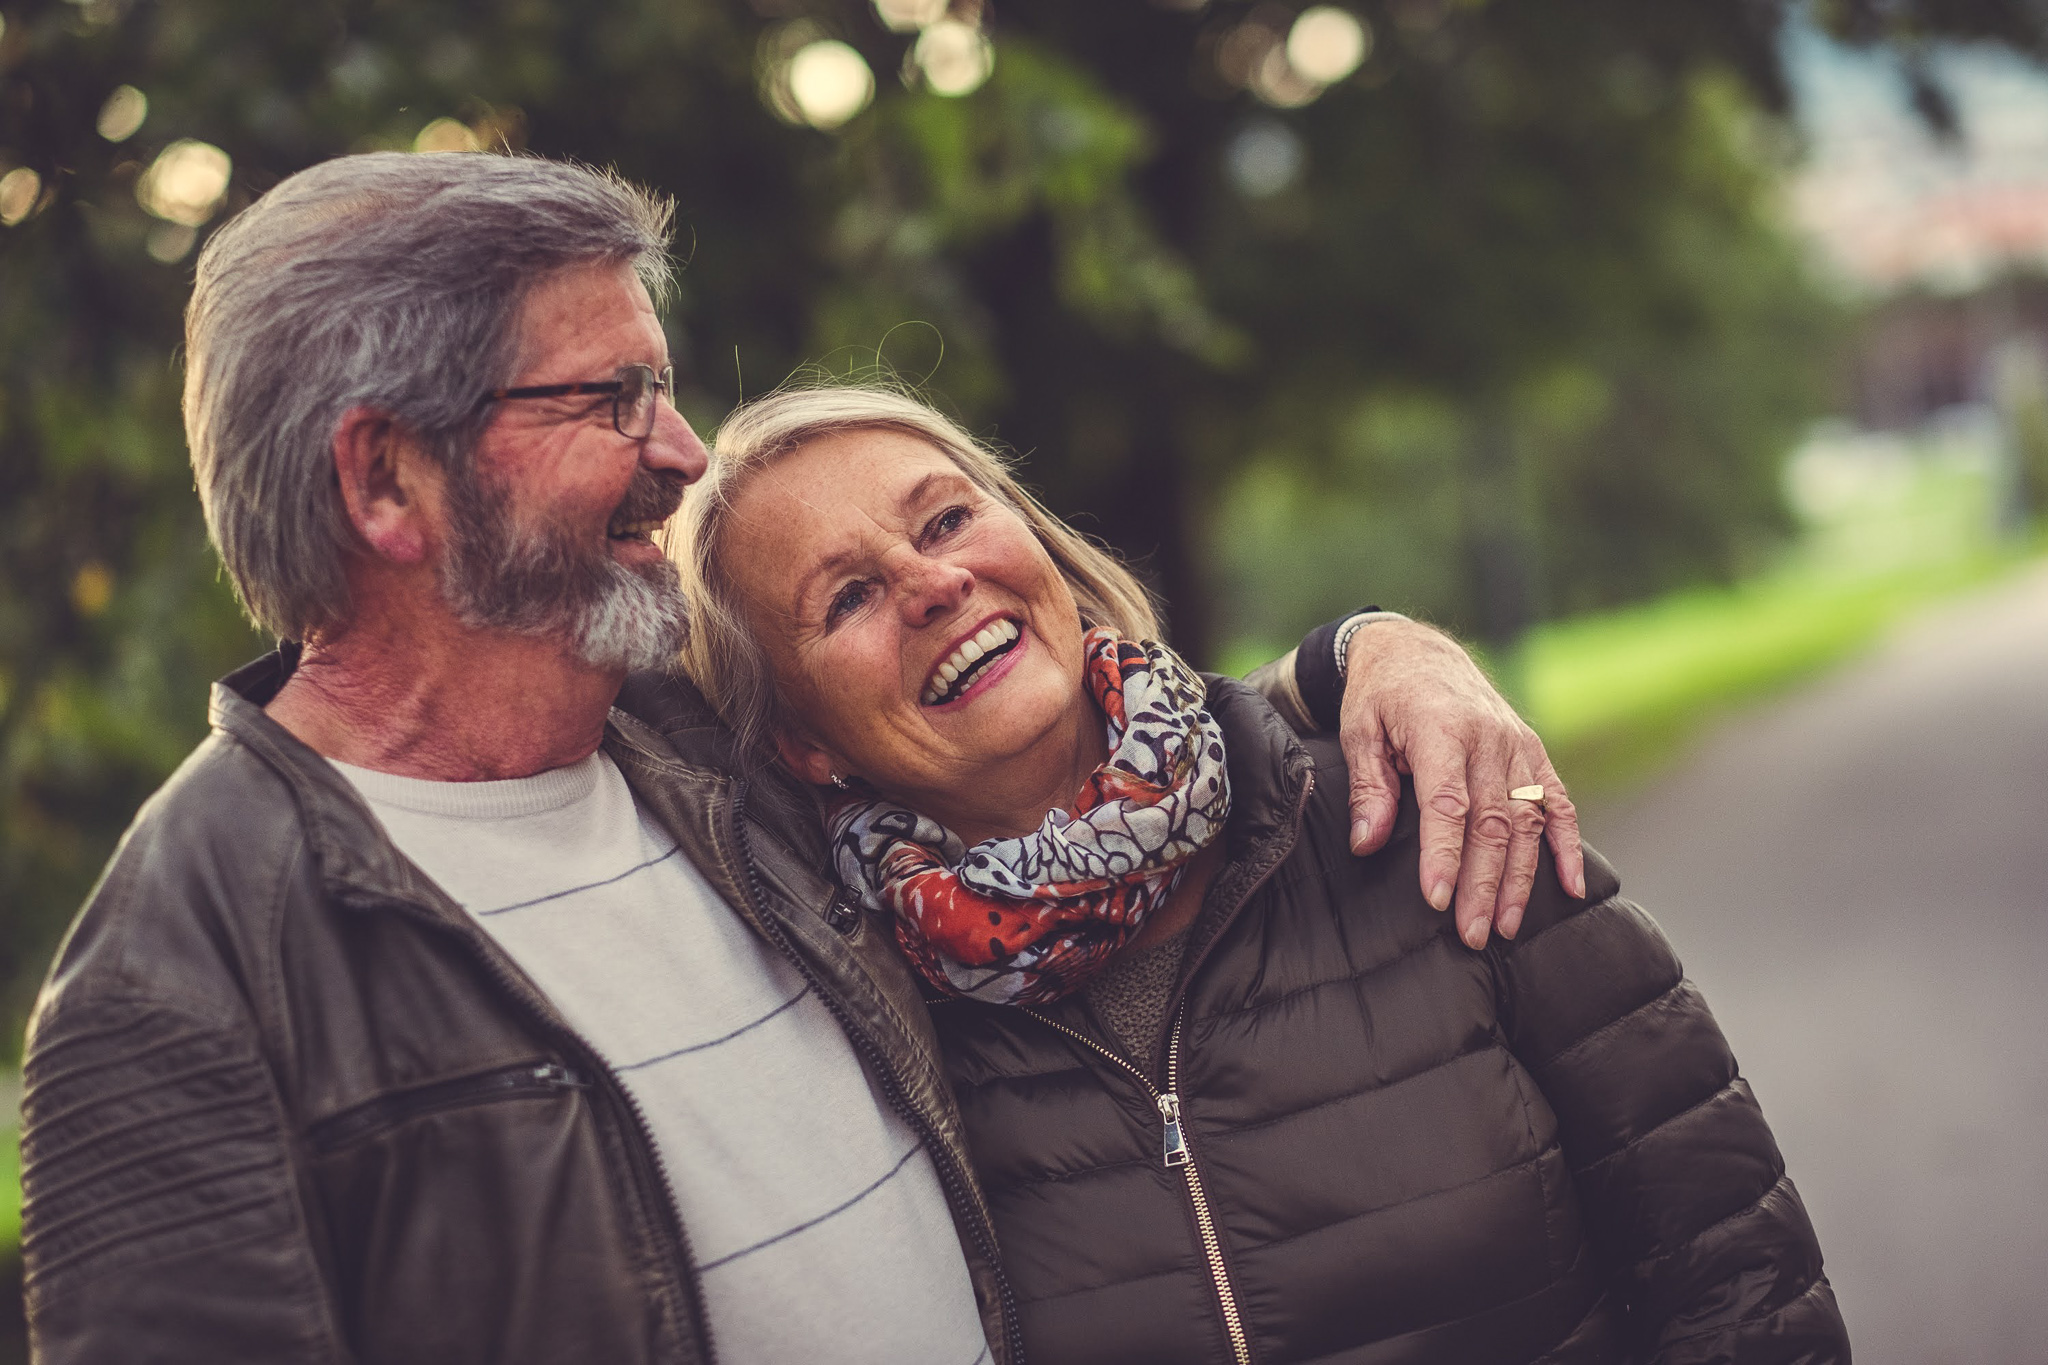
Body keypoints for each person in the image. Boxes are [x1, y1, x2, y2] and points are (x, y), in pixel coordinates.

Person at [18, 151, 1585, 1364]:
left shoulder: (703, 759)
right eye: (612, 397)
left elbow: (1045, 738)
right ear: (385, 478)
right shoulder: (182, 987)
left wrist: (1369, 654)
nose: (682, 452)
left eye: (667, 387)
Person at [676, 384, 1852, 1364]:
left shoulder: (1421, 804)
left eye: (941, 522)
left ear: (1030, 537)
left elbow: (1732, 1276)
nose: (932, 585)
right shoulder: (856, 1033)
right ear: (803, 741)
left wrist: (1377, 644)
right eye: (846, 597)